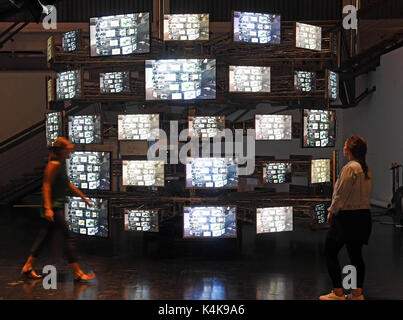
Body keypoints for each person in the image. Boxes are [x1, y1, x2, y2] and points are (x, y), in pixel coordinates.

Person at [20, 137, 96, 282]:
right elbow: (46, 185)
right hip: (53, 207)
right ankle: (78, 273)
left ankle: (27, 267)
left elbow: (68, 184)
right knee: (69, 237)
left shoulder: (61, 163)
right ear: (61, 149)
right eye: (68, 147)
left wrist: (83, 197)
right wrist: (48, 208)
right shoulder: (54, 164)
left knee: (44, 237)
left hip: (57, 205)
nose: (71, 148)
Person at [319, 136, 372, 300]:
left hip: (347, 218)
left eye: (345, 145)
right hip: (363, 217)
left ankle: (338, 292)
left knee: (329, 252)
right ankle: (357, 293)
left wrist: (332, 211)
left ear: (349, 150)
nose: (343, 146)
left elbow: (341, 194)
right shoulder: (366, 168)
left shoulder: (350, 168)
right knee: (356, 255)